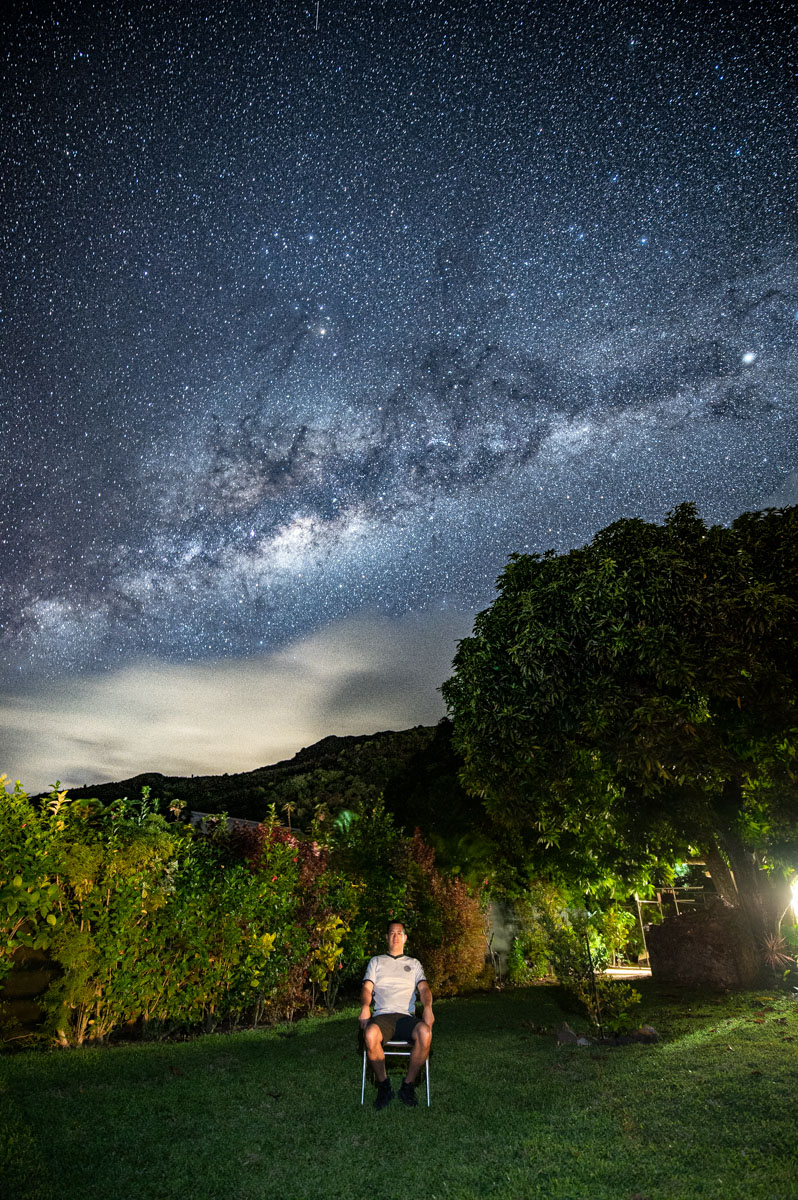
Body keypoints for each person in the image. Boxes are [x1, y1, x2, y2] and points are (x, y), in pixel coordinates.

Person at [359, 919, 434, 1109]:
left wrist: (428, 1008)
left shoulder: (414, 963)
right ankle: (384, 1086)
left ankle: (407, 1086)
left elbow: (424, 989)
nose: (395, 937)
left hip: (405, 1018)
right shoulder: (376, 961)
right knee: (369, 1034)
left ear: (405, 938)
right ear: (386, 937)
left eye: (399, 933)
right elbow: (367, 989)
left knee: (425, 1033)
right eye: (392, 933)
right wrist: (365, 1007)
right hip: (383, 1017)